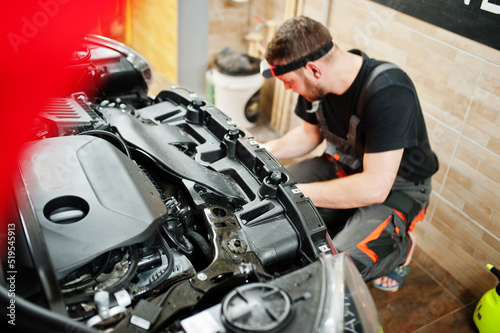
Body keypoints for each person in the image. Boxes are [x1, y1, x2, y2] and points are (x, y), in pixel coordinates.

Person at [260, 16, 438, 292]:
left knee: (334, 270)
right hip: (341, 166)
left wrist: (297, 194)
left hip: (394, 189)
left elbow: (375, 187)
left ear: (313, 70)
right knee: (267, 206)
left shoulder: (389, 90)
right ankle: (345, 218)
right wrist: (262, 152)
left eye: (288, 82)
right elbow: (309, 136)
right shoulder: (312, 82)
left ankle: (399, 245)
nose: (286, 88)